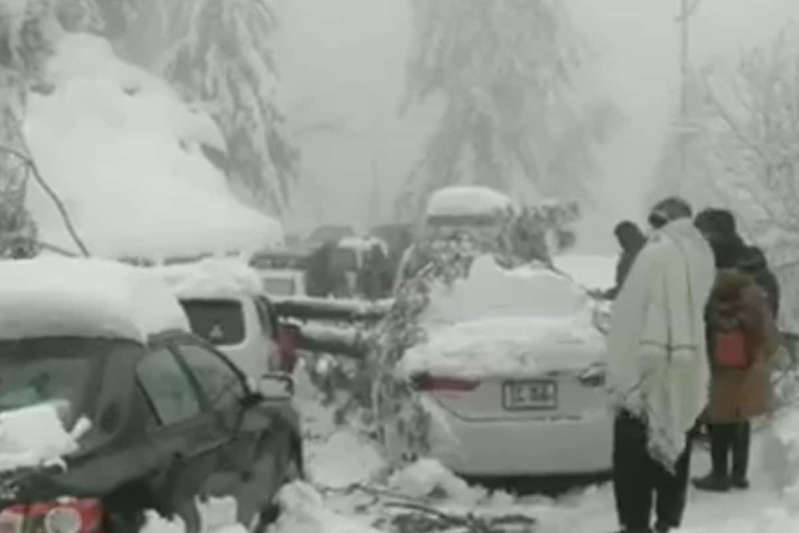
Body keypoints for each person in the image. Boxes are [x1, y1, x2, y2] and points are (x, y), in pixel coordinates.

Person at [607, 197, 716, 533]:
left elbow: (641, 311)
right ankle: (666, 519)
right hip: (685, 368)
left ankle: (635, 523)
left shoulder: (660, 254)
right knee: (675, 435)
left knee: (633, 455)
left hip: (645, 368)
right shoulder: (700, 253)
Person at [692, 242, 780, 492]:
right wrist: (762, 358)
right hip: (748, 366)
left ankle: (719, 475)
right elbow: (770, 335)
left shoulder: (713, 293)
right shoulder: (755, 294)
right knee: (741, 419)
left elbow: (703, 329)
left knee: (719, 419)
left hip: (721, 367)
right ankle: (739, 474)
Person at [604, 220, 646, 299]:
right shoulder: (629, 254)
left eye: (620, 238)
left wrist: (610, 295)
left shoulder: (639, 254)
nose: (620, 242)